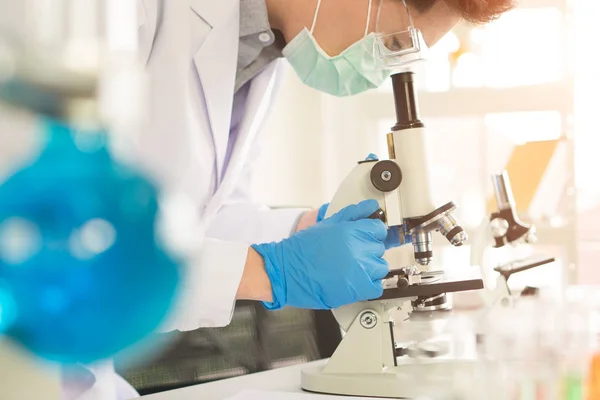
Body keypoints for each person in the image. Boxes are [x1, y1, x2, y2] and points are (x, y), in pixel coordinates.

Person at [69, 0, 516, 398]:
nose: (381, 69)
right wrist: (272, 270)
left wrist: (308, 229)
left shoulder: (259, 55)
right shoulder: (127, 11)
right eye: (394, 44)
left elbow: (210, 216)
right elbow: (67, 238)